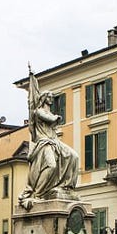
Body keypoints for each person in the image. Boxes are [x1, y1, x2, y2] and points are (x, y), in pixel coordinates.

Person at [18, 71, 80, 210]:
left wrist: (55, 117)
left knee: (74, 156)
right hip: (44, 142)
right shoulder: (39, 112)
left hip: (54, 141)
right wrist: (56, 118)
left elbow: (53, 119)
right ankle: (39, 194)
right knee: (51, 165)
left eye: (52, 96)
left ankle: (66, 186)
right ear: (44, 98)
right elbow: (51, 120)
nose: (52, 98)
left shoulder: (49, 112)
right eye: (50, 96)